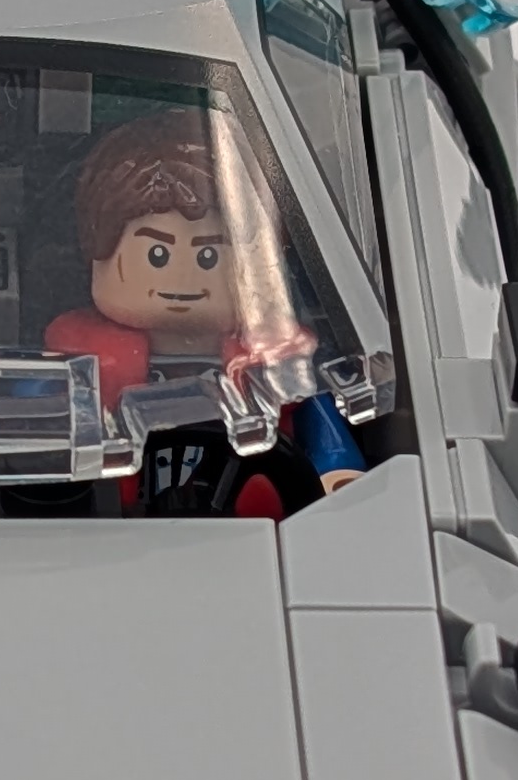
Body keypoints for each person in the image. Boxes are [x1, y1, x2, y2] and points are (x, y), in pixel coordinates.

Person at [44, 111, 365, 511]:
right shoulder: (83, 369)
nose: (182, 278)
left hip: (249, 520)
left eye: (209, 255)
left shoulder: (273, 358)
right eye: (157, 255)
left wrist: (336, 474)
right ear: (97, 250)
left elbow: (325, 437)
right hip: (114, 518)